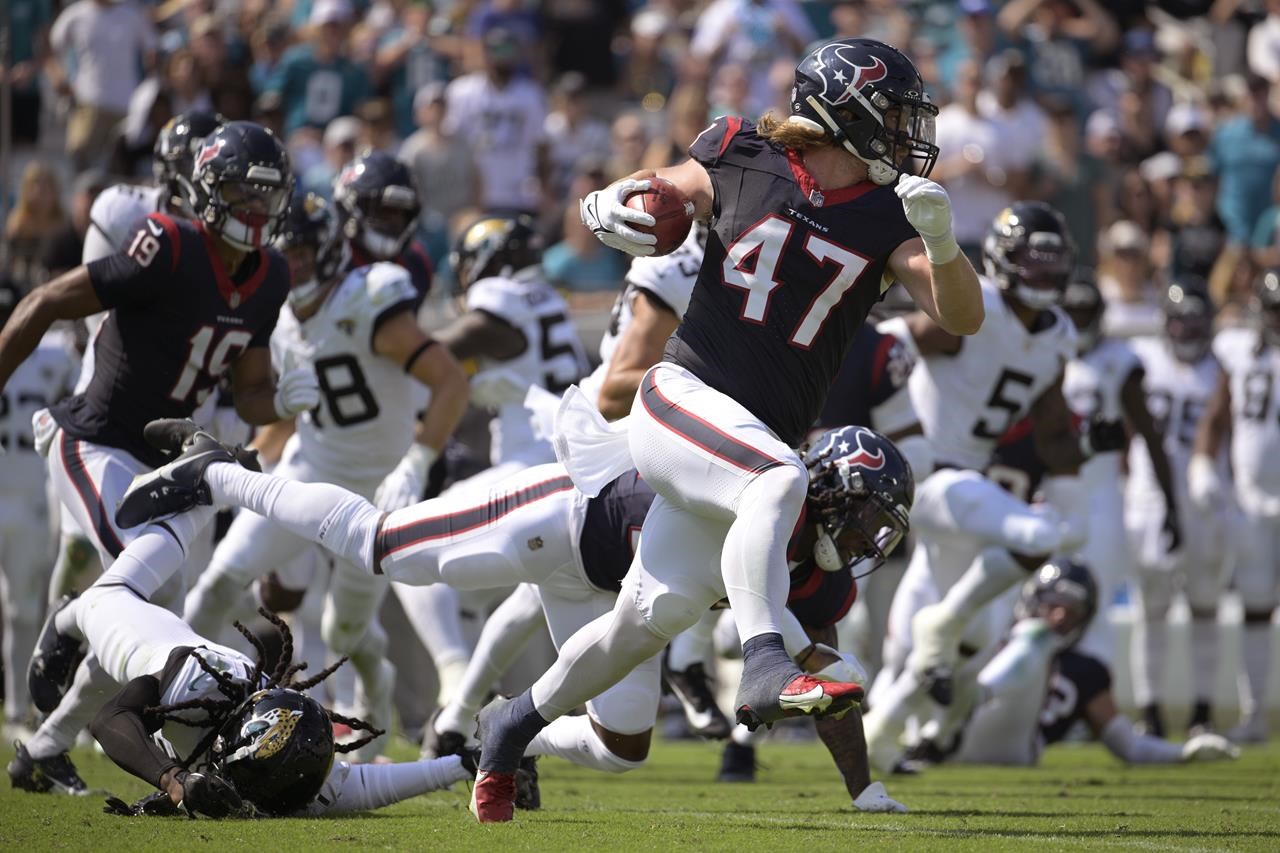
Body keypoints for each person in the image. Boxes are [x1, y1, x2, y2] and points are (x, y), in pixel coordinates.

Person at [486, 36, 980, 823]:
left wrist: (946, 246)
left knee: (647, 620)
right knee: (781, 479)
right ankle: (762, 662)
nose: (901, 132)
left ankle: (510, 723)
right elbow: (661, 193)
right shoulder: (744, 151)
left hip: (742, 441)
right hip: (681, 395)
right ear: (839, 108)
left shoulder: (889, 216)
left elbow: (964, 314)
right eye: (888, 114)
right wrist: (617, 201)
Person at [108, 418, 913, 815]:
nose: (869, 538)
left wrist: (862, 785)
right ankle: (222, 473)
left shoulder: (797, 547)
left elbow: (792, 640)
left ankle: (503, 730)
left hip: (608, 592)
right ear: (830, 487)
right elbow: (774, 628)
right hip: (563, 517)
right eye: (867, 517)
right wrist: (822, 670)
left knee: (623, 746)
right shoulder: (765, 502)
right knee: (382, 543)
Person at [0, 122, 313, 788]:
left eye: (267, 196)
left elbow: (250, 391)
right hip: (91, 437)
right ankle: (69, 615)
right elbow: (46, 300)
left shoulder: (271, 276)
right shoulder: (168, 245)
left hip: (158, 461)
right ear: (207, 191)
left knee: (151, 612)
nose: (256, 211)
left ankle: (42, 750)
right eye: (240, 192)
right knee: (136, 589)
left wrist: (289, 396)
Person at [180, 194, 468, 758]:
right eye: (287, 252)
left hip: (375, 493)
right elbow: (286, 419)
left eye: (305, 251)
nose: (296, 264)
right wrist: (248, 461)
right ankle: (188, 721)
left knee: (343, 633)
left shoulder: (368, 299)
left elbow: (451, 382)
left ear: (332, 249)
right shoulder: (282, 318)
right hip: (310, 476)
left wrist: (417, 460)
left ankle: (374, 699)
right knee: (216, 584)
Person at [861, 202, 1100, 773]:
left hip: (964, 491)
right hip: (927, 473)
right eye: (1032, 262)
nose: (1042, 275)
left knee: (944, 653)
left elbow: (1050, 424)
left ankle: (886, 737)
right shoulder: (978, 307)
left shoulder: (1057, 335)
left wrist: (1079, 463)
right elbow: (884, 349)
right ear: (1002, 259)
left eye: (1052, 264)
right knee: (1046, 535)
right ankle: (933, 648)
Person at [9, 584, 473, 817]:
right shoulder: (191, 685)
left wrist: (471, 763)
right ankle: (63, 615)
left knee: (94, 679)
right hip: (121, 616)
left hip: (159, 662)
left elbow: (366, 790)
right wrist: (173, 781)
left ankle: (40, 753)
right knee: (108, 592)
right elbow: (112, 718)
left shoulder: (296, 749)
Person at [906, 560, 1239, 768]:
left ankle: (933, 738)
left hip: (1016, 751)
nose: (1060, 616)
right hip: (961, 736)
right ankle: (919, 735)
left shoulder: (1084, 671)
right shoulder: (995, 638)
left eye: (1072, 610)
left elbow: (1128, 744)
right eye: (1054, 604)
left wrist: (1182, 753)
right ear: (1034, 601)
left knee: (1031, 642)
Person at [1126, 281, 1229, 739]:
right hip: (1150, 497)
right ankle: (1150, 713)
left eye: (1195, 319)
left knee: (1206, 607)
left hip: (1207, 496)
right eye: (1179, 319)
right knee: (1154, 609)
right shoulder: (1143, 360)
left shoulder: (1224, 368)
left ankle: (1202, 713)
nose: (1187, 328)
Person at [1060, 271, 1181, 661]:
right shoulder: (1045, 351)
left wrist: (1171, 504)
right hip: (1052, 493)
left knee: (1094, 607)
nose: (1078, 319)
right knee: (1046, 605)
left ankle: (1094, 704)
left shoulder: (1119, 362)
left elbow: (1150, 436)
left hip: (1102, 497)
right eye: (1072, 310)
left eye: (1085, 311)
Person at [1189, 269, 1280, 744]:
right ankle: (1254, 714)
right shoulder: (1238, 349)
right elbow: (1217, 415)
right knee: (1256, 608)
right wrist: (1203, 465)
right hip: (1251, 500)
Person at [0, 279, 79, 741]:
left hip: (28, 495)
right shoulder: (54, 354)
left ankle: (18, 708)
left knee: (25, 609)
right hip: (23, 496)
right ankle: (18, 707)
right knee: (24, 609)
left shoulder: (54, 356)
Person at [332, 149, 434, 298]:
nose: (392, 220)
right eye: (381, 210)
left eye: (399, 212)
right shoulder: (330, 262)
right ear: (349, 204)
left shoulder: (416, 265)